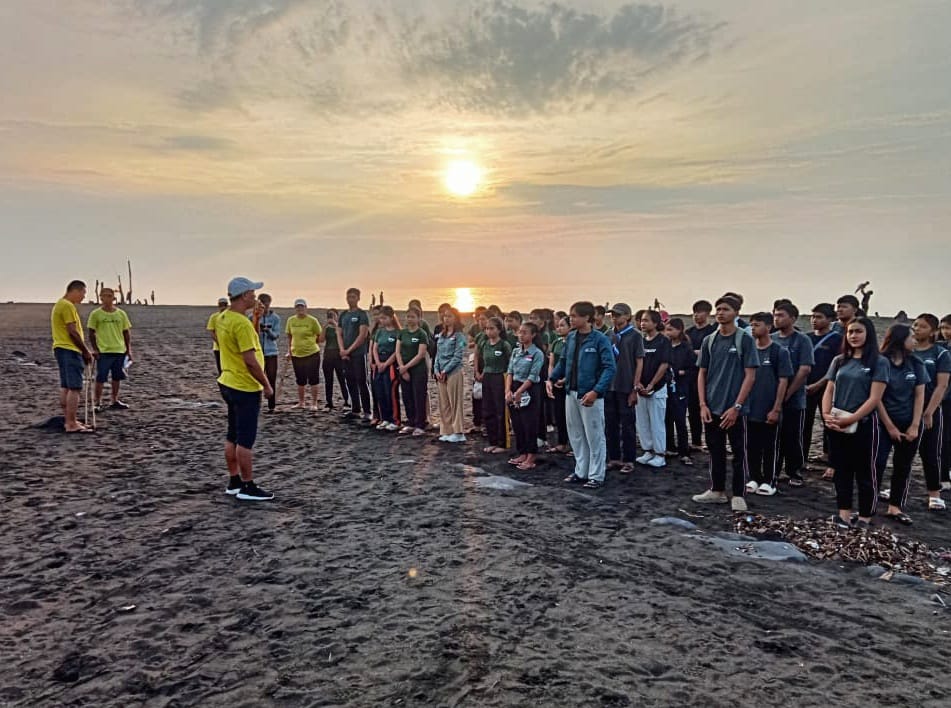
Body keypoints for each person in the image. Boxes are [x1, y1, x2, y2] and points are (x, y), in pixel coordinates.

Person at [692, 295, 759, 511]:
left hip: (736, 409)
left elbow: (750, 375)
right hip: (712, 406)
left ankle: (738, 494)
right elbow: (702, 373)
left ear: (737, 313)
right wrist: (702, 404)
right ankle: (717, 490)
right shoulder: (709, 341)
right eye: (718, 309)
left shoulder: (744, 340)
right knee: (715, 450)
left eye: (726, 309)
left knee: (739, 452)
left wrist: (737, 406)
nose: (721, 313)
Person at [822, 318, 888, 529]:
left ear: (868, 334)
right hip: (836, 423)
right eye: (850, 332)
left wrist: (851, 419)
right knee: (841, 470)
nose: (854, 336)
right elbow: (829, 389)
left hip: (863, 425)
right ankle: (844, 515)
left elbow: (874, 398)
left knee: (865, 472)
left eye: (858, 331)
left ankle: (865, 517)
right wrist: (826, 415)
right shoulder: (840, 361)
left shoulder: (879, 362)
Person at [216, 277, 274, 501]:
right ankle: (248, 485)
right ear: (243, 296)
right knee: (245, 438)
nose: (255, 296)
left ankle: (234, 480)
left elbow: (246, 336)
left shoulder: (224, 317)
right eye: (251, 293)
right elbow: (250, 359)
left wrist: (256, 318)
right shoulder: (239, 323)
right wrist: (266, 385)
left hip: (228, 381)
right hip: (244, 385)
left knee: (232, 434)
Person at [548, 301, 616, 489]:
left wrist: (596, 391)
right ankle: (581, 470)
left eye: (575, 316)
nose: (571, 319)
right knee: (576, 433)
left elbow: (609, 368)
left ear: (587, 317)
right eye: (570, 315)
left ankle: (596, 474)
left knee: (594, 434)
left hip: (591, 394)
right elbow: (563, 361)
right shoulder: (570, 338)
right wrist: (552, 378)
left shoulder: (600, 340)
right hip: (571, 391)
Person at [875, 324, 927, 524]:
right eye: (911, 337)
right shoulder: (881, 362)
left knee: (903, 466)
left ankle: (895, 507)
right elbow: (876, 398)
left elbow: (919, 395)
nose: (915, 340)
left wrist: (915, 425)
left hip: (909, 422)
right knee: (877, 464)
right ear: (899, 339)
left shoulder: (916, 363)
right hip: (882, 422)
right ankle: (868, 507)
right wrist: (890, 426)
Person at [745, 313, 792, 496]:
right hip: (750, 407)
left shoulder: (779, 352)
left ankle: (769, 480)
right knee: (752, 445)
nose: (753, 328)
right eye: (751, 325)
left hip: (769, 408)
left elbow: (783, 381)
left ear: (768, 327)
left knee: (770, 446)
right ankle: (754, 477)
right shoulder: (749, 350)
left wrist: (776, 408)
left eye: (757, 324)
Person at [771, 301, 814, 487]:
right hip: (771, 397)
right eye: (775, 315)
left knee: (792, 436)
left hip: (794, 398)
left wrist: (787, 394)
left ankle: (794, 471)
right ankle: (773, 470)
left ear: (793, 318)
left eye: (781, 315)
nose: (776, 318)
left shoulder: (802, 340)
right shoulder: (771, 338)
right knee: (773, 436)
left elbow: (804, 369)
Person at [911, 314, 951, 508]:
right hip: (905, 408)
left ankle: (934, 493)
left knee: (930, 452)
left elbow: (941, 386)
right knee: (903, 452)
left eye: (923, 326)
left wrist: (928, 412)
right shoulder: (906, 350)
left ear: (933, 331)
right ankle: (897, 489)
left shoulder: (940, 353)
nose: (917, 329)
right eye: (915, 325)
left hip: (930, 409)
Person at [604, 303, 644, 473]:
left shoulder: (635, 336)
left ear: (628, 316)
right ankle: (613, 458)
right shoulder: (608, 335)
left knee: (627, 424)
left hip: (625, 385)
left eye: (618, 315)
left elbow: (639, 362)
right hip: (609, 386)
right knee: (610, 424)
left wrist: (635, 388)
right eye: (613, 315)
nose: (615, 318)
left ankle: (629, 459)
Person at [51, 280, 94, 433]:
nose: (83, 297)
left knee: (66, 386)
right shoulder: (67, 305)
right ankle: (71, 423)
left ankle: (70, 420)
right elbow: (72, 331)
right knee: (75, 387)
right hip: (69, 349)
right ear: (75, 290)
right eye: (83, 293)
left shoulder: (60, 304)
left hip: (60, 348)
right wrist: (85, 351)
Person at [803, 303, 841, 474]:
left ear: (830, 320)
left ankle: (830, 458)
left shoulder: (837, 339)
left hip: (826, 388)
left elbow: (836, 367)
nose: (814, 320)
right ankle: (801, 458)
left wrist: (819, 384)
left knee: (830, 424)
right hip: (805, 387)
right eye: (813, 316)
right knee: (805, 423)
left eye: (819, 317)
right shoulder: (806, 338)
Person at [506, 322, 545, 469]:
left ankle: (531, 456)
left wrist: (519, 392)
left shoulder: (537, 353)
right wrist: (508, 390)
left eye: (525, 333)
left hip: (529, 389)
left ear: (533, 335)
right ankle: (522, 452)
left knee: (529, 423)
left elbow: (533, 376)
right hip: (515, 386)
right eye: (520, 332)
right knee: (517, 423)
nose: (521, 335)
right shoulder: (516, 351)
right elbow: (510, 371)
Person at [87, 287, 133, 411]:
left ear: (113, 298)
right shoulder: (96, 314)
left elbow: (126, 332)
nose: (107, 298)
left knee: (117, 377)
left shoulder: (121, 314)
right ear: (100, 297)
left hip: (119, 350)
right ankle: (97, 402)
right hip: (104, 351)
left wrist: (128, 349)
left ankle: (114, 399)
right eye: (104, 296)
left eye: (109, 296)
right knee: (101, 377)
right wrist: (95, 349)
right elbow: (91, 332)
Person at [635, 309, 671, 469]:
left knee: (657, 422)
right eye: (642, 320)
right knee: (642, 422)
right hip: (641, 389)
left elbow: (664, 365)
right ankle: (648, 450)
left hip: (657, 389)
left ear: (656, 323)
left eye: (647, 320)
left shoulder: (663, 341)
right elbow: (637, 363)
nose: (643, 323)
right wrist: (639, 384)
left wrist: (651, 385)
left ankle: (660, 454)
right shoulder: (641, 342)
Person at [477, 316, 513, 453]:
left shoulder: (504, 345)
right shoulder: (484, 344)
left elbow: (510, 363)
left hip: (500, 376)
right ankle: (492, 441)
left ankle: (502, 443)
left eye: (492, 328)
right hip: (487, 376)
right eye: (487, 328)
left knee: (500, 411)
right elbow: (480, 359)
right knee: (488, 409)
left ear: (499, 330)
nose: (489, 331)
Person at [685, 300, 717, 450]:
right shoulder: (688, 333)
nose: (696, 315)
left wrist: (699, 353)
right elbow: (685, 352)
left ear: (708, 314)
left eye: (700, 312)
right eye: (694, 313)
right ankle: (696, 441)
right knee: (692, 410)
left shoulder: (712, 332)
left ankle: (712, 443)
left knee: (709, 409)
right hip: (691, 376)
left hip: (709, 377)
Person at [338, 288, 373, 421]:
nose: (350, 299)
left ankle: (367, 411)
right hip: (345, 355)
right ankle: (355, 409)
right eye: (348, 297)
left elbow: (362, 335)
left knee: (362, 381)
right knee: (350, 381)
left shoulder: (361, 314)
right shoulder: (343, 315)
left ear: (358, 298)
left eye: (353, 297)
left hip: (358, 353)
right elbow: (339, 333)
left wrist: (349, 350)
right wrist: (342, 350)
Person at [434, 308, 468, 442]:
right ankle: (447, 430)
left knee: (455, 403)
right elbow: (438, 354)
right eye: (445, 316)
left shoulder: (459, 336)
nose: (446, 319)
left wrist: (445, 370)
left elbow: (458, 356)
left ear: (456, 318)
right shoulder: (442, 335)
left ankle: (458, 432)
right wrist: (437, 370)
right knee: (444, 403)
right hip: (441, 373)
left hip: (453, 372)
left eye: (449, 316)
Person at [396, 307, 431, 436]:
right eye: (408, 316)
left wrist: (407, 367)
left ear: (418, 318)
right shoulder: (402, 333)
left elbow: (421, 354)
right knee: (407, 396)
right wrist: (402, 367)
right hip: (403, 369)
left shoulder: (421, 334)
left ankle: (420, 424)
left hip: (418, 369)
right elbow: (398, 351)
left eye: (413, 317)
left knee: (419, 396)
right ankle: (410, 422)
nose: (410, 319)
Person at [664, 318, 693, 466]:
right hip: (666, 387)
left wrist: (682, 372)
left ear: (679, 330)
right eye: (666, 329)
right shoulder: (665, 346)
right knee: (667, 419)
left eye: (671, 329)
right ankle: (670, 447)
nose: (668, 332)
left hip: (681, 388)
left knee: (680, 420)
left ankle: (684, 451)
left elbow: (693, 369)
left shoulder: (686, 348)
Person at [285, 298, 322, 411]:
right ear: (295, 308)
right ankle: (301, 402)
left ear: (306, 308)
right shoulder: (291, 320)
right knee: (300, 379)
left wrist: (310, 343)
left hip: (312, 353)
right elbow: (290, 337)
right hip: (297, 354)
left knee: (313, 379)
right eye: (298, 307)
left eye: (302, 306)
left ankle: (314, 403)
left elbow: (319, 335)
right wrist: (289, 351)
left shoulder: (312, 320)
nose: (300, 309)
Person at [370, 306, 401, 431]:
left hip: (391, 365)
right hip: (379, 364)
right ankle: (385, 418)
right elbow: (374, 348)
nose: (381, 320)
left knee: (390, 393)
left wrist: (386, 363)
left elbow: (396, 351)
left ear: (391, 317)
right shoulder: (379, 332)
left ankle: (395, 420)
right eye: (380, 318)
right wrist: (377, 362)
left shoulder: (397, 333)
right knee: (380, 392)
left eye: (384, 318)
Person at [547, 314, 571, 454]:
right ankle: (562, 442)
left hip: (569, 381)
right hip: (556, 381)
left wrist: (565, 379)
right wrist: (552, 378)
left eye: (562, 325)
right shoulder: (556, 343)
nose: (559, 328)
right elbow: (552, 363)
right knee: (559, 413)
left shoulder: (573, 342)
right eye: (558, 325)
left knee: (572, 416)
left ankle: (572, 444)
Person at [320, 308, 350, 411]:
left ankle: (347, 401)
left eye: (333, 315)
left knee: (342, 379)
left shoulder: (341, 327)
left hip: (338, 354)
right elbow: (321, 340)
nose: (331, 317)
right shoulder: (327, 328)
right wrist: (325, 326)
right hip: (328, 354)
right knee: (328, 380)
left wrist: (336, 324)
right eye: (329, 315)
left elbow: (343, 337)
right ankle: (329, 402)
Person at [255, 294, 280, 413]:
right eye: (262, 304)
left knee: (271, 378)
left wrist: (268, 330)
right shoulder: (252, 316)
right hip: (257, 352)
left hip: (271, 353)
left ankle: (272, 406)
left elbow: (276, 336)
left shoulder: (275, 318)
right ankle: (256, 404)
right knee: (256, 379)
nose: (265, 306)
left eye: (267, 304)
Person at [207, 297, 229, 374]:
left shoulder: (231, 316)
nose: (223, 307)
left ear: (227, 305)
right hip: (218, 348)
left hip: (230, 348)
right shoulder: (214, 317)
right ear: (218, 306)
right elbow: (212, 332)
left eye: (224, 305)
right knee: (221, 369)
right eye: (221, 305)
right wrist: (220, 343)